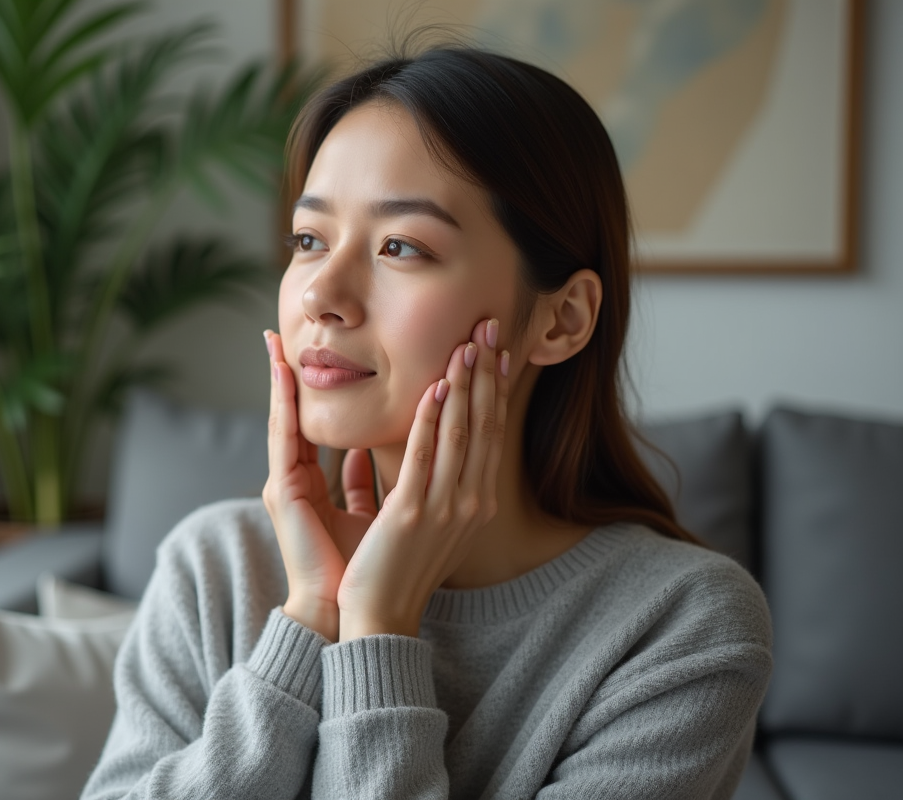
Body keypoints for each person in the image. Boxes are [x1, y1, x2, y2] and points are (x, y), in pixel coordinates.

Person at [81, 46, 772, 800]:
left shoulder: (682, 626)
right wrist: (310, 618)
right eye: (309, 240)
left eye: (400, 246)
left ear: (561, 319)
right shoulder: (215, 569)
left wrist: (377, 625)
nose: (321, 296)